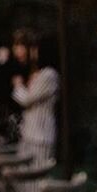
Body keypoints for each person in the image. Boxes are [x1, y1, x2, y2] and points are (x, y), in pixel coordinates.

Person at [12, 35, 59, 163]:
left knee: (36, 177)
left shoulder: (49, 75)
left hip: (40, 136)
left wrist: (18, 85)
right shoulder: (38, 73)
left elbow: (27, 99)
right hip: (29, 133)